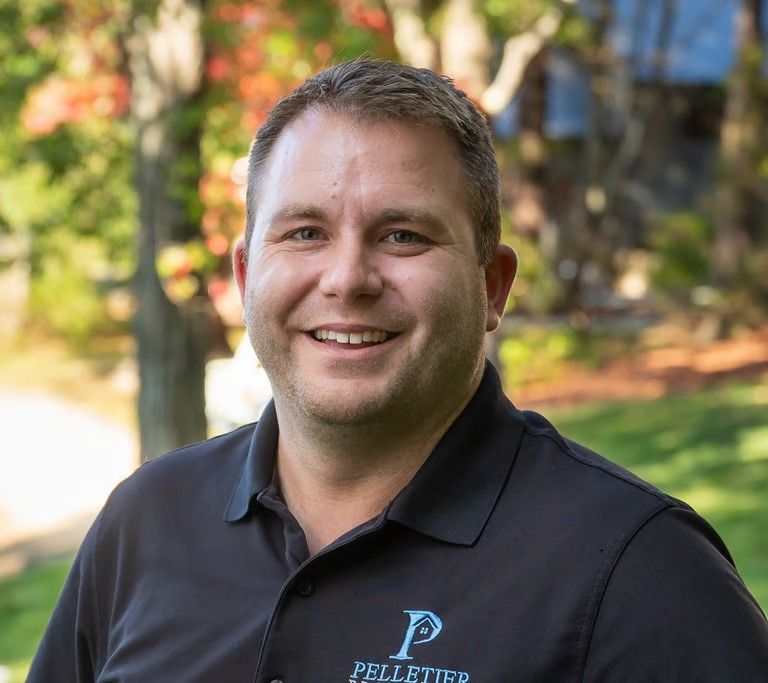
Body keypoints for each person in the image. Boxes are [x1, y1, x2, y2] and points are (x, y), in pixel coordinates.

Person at [30, 59, 768, 682]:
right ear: (250, 272)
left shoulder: (641, 572)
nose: (347, 278)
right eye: (306, 231)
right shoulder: (146, 522)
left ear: (492, 287)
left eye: (404, 234)